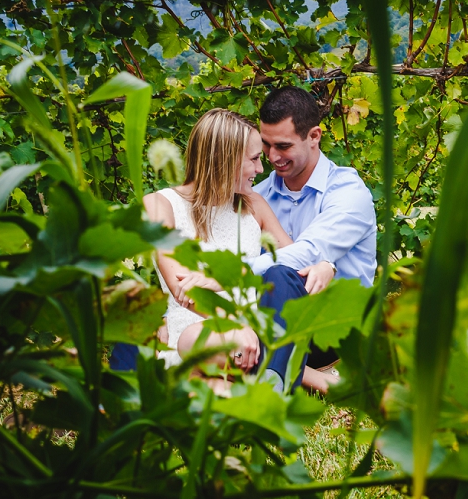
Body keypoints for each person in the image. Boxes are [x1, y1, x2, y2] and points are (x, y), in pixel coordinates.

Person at [141, 108, 331, 392]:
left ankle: (262, 380)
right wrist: (232, 324)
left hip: (261, 328)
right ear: (224, 160)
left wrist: (324, 265)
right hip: (208, 331)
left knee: (207, 377)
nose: (261, 169)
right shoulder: (159, 205)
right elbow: (183, 287)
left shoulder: (253, 204)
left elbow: (292, 263)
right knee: (193, 341)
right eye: (254, 159)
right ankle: (302, 377)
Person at [249, 86, 379, 372]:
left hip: (336, 332)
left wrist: (234, 271)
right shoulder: (258, 197)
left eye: (283, 146)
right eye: (266, 145)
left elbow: (307, 252)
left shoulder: (348, 193)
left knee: (279, 273)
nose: (272, 156)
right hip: (274, 323)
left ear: (314, 137)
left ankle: (275, 377)